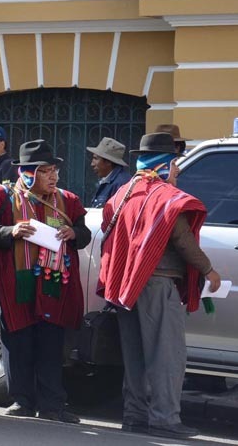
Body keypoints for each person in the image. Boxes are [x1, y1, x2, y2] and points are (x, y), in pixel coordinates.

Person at [97, 132, 221, 439]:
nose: (177, 170)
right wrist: (209, 270)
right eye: (175, 164)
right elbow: (182, 239)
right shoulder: (165, 197)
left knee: (136, 353)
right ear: (164, 165)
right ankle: (165, 418)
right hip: (158, 283)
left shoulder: (123, 193)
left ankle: (135, 415)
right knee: (166, 354)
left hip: (126, 286)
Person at [0, 139, 90, 424]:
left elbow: (84, 232)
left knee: (50, 345)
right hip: (15, 283)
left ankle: (53, 404)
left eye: (54, 170)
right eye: (46, 171)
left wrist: (73, 233)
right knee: (18, 342)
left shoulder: (69, 200)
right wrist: (12, 230)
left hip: (53, 282)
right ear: (28, 173)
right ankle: (22, 401)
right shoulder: (1, 196)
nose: (54, 176)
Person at [86, 137, 130, 208]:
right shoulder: (107, 181)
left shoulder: (121, 184)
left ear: (108, 162)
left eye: (96, 159)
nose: (92, 164)